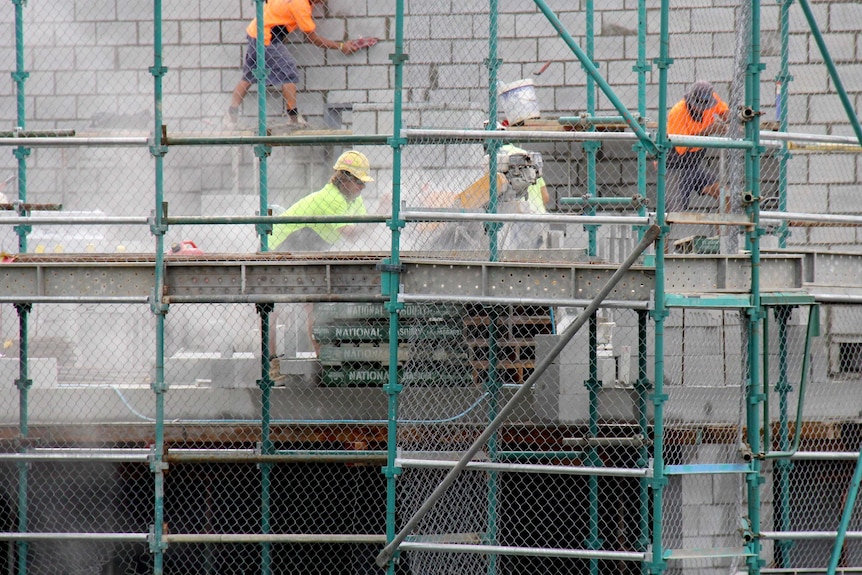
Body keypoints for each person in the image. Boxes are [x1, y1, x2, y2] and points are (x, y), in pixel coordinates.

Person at [225, 0, 359, 128]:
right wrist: (341, 46)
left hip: (255, 32)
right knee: (289, 72)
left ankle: (231, 117)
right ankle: (293, 118)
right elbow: (312, 38)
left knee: (248, 77)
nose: (323, 2)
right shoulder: (301, 5)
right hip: (267, 38)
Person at [271, 150, 374, 252]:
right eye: (359, 181)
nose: (363, 186)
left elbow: (363, 231)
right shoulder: (332, 197)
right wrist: (382, 211)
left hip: (302, 247)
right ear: (344, 179)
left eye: (364, 182)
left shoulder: (355, 198)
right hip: (277, 246)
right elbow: (351, 235)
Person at [665, 81, 730, 211]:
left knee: (726, 194)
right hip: (674, 166)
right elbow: (683, 147)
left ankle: (724, 231)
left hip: (694, 165)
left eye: (705, 106)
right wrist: (710, 130)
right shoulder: (678, 112)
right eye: (698, 105)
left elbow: (725, 112)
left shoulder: (711, 100)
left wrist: (731, 122)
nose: (701, 109)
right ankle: (662, 231)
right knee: (674, 212)